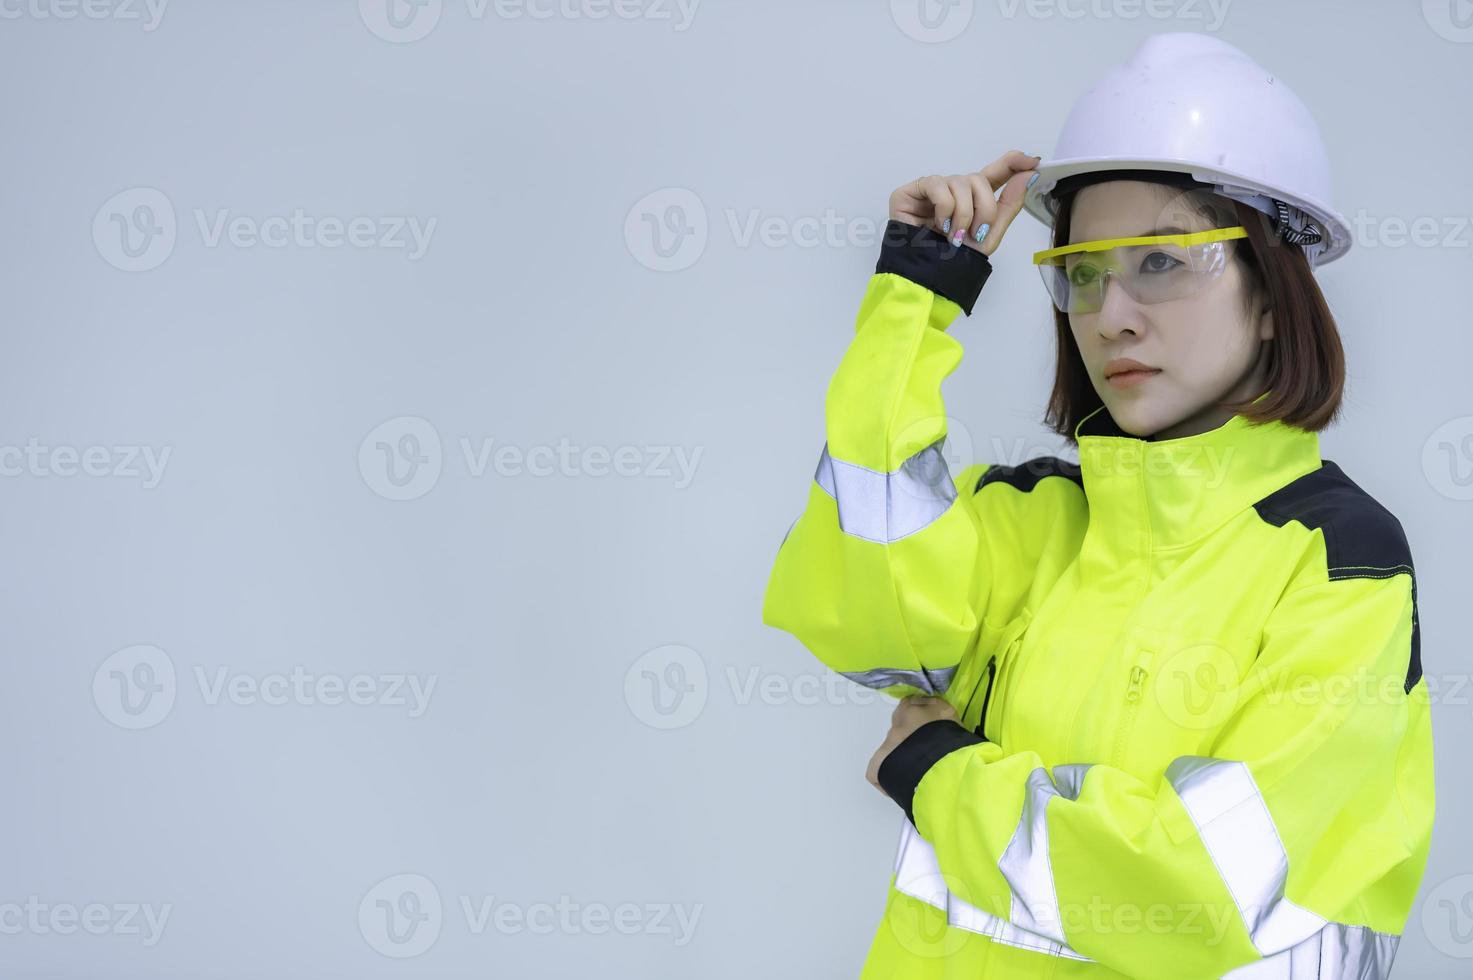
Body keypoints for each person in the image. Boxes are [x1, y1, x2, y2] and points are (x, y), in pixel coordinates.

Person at [760, 33, 1434, 979]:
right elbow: (860, 612)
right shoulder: (1034, 519)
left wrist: (943, 775)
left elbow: (1198, 884)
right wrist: (914, 301)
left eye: (1162, 263)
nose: (1109, 314)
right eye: (1082, 270)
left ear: (1275, 292)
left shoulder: (1338, 560)